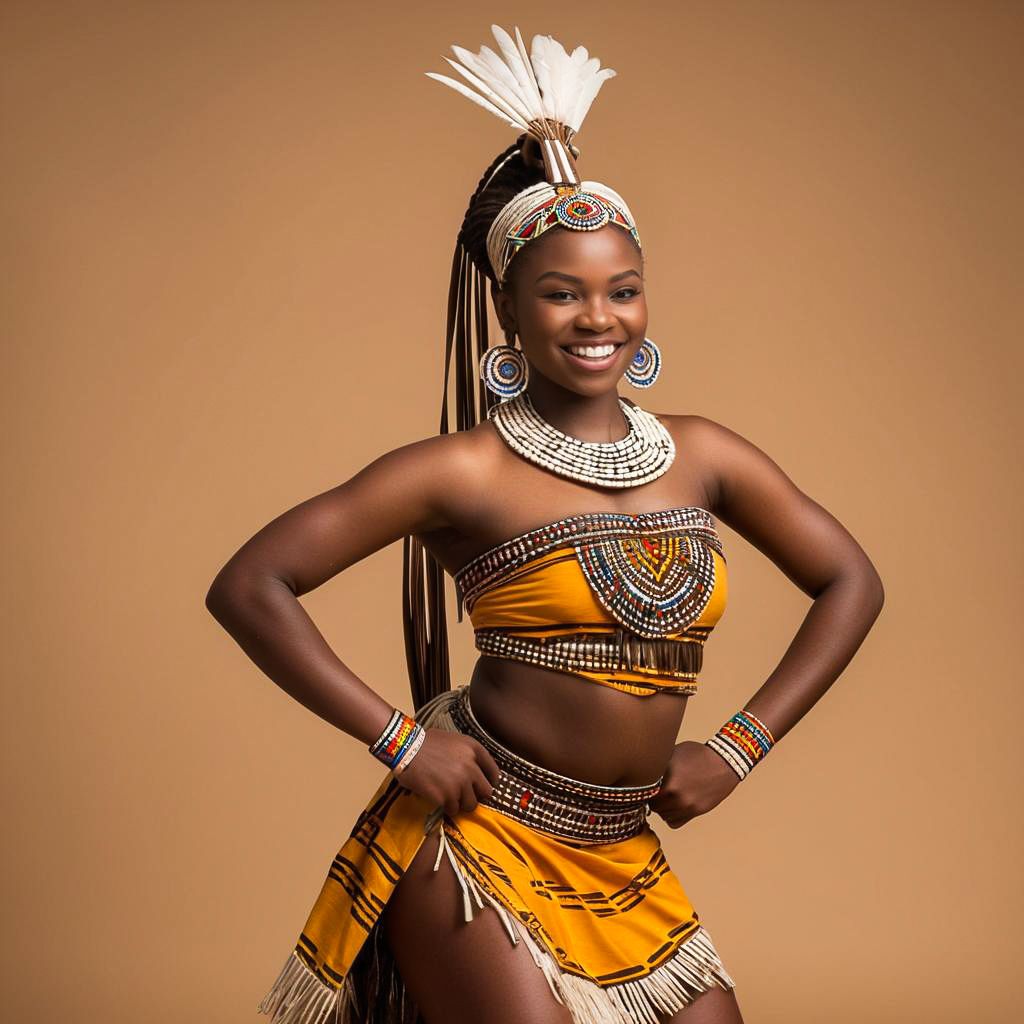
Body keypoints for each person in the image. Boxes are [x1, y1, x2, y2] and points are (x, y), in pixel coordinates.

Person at [205, 25, 885, 1024]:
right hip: (476, 832)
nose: (595, 317)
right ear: (510, 312)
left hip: (618, 848)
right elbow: (250, 583)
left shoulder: (707, 456)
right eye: (560, 293)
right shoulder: (463, 469)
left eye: (621, 290)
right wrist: (399, 741)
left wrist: (738, 746)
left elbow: (851, 580)